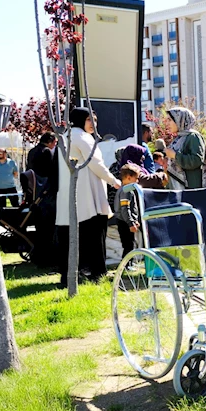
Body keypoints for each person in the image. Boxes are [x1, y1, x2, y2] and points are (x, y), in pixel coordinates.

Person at [55, 107, 121, 286]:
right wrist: (114, 181)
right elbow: (96, 164)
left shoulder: (65, 137)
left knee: (71, 237)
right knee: (94, 234)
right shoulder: (82, 137)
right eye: (89, 119)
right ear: (80, 120)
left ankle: (70, 276)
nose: (94, 124)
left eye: (95, 120)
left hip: (70, 194)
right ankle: (97, 273)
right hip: (87, 194)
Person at [163, 107, 206, 190]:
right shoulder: (179, 138)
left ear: (180, 119)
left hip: (191, 189)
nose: (167, 123)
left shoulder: (193, 136)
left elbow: (197, 160)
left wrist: (175, 155)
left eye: (170, 120)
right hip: (178, 188)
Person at [115, 164, 141, 258]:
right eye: (136, 178)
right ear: (129, 177)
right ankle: (126, 265)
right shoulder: (126, 191)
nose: (137, 181)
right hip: (124, 222)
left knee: (130, 244)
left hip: (126, 221)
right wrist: (130, 223)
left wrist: (134, 220)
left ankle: (129, 263)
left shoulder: (124, 190)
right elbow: (125, 209)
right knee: (128, 245)